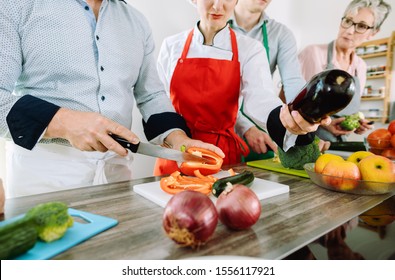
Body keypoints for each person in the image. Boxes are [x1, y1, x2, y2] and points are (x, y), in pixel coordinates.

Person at [0, 0, 224, 198]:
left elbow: (151, 95)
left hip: (117, 171)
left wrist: (178, 140)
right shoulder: (16, 5)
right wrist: (64, 122)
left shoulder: (137, 21)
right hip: (44, 173)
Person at [153, 0, 330, 176]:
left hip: (219, 157)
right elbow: (158, 102)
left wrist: (290, 121)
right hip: (176, 151)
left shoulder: (250, 48)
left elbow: (261, 99)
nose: (217, 6)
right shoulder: (171, 46)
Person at [298, 0, 391, 142]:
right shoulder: (312, 53)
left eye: (361, 26)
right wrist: (325, 125)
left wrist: (355, 123)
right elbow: (286, 104)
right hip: (306, 142)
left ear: (373, 33)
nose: (349, 30)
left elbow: (345, 109)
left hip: (339, 147)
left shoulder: (361, 67)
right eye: (348, 21)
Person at [229, 0, 308, 160]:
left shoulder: (280, 33)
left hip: (262, 126)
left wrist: (304, 121)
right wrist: (244, 126)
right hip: (221, 123)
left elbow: (293, 82)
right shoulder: (216, 24)